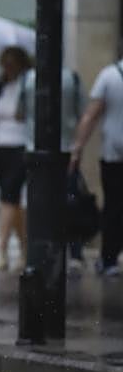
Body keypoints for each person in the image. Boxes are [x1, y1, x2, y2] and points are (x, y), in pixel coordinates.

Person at [20, 65, 84, 270]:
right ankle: (74, 251)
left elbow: (19, 112)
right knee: (69, 202)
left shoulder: (27, 79)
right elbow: (82, 113)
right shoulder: (72, 79)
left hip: (34, 148)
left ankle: (38, 250)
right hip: (67, 148)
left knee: (37, 203)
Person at [70, 38, 123, 278]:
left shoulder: (110, 76)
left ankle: (109, 258)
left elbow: (91, 116)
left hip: (114, 153)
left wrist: (78, 147)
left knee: (113, 205)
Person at [0, 46, 32, 271]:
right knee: (13, 202)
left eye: (12, 64)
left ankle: (1, 250)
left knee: (7, 197)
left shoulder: (28, 86)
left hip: (20, 146)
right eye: (5, 64)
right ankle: (24, 247)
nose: (8, 68)